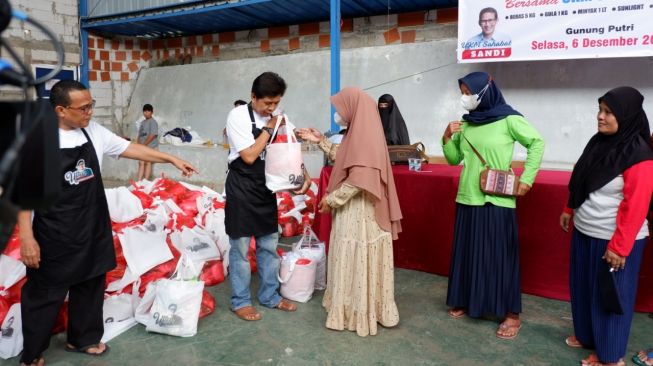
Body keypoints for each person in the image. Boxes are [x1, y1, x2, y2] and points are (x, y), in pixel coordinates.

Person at [17, 80, 197, 366]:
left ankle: (82, 338)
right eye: (83, 107)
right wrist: (27, 237)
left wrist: (170, 158)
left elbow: (131, 149)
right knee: (45, 294)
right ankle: (33, 353)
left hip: (91, 225)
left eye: (92, 105)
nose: (90, 112)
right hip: (54, 231)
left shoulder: (92, 131)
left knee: (90, 285)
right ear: (61, 110)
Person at [441, 71, 544, 339]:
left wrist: (528, 179)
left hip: (496, 199)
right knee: (468, 253)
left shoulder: (509, 119)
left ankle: (511, 314)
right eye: (462, 92)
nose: (465, 97)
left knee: (500, 256)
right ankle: (466, 300)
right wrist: (446, 137)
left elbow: (536, 142)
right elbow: (454, 160)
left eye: (468, 92)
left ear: (484, 92)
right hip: (467, 197)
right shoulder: (467, 124)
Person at [296, 87, 403, 337]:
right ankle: (360, 306)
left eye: (341, 109)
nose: (339, 114)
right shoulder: (360, 134)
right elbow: (346, 157)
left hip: (360, 213)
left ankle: (358, 311)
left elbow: (358, 179)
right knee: (355, 258)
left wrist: (330, 200)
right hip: (357, 210)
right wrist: (320, 141)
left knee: (354, 253)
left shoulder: (364, 137)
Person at [559, 86, 653, 366]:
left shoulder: (640, 155)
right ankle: (588, 336)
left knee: (610, 299)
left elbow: (636, 205)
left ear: (626, 115)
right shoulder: (598, 142)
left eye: (608, 112)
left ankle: (610, 356)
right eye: (599, 110)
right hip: (586, 231)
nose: (600, 117)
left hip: (615, 241)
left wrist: (620, 247)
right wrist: (569, 208)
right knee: (584, 289)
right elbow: (582, 177)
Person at [224, 71, 310, 321]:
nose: (272, 108)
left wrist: (303, 176)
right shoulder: (238, 116)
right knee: (240, 248)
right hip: (241, 187)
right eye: (267, 103)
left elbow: (289, 149)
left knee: (269, 246)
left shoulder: (279, 117)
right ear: (253, 97)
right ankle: (240, 301)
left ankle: (270, 296)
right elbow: (249, 156)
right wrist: (268, 129)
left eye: (276, 103)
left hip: (265, 189)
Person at [137, 103, 159, 181]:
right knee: (141, 163)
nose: (146, 113)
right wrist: (138, 145)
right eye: (145, 111)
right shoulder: (142, 122)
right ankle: (139, 181)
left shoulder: (153, 122)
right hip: (142, 146)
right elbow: (139, 135)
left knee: (148, 162)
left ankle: (145, 181)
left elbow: (153, 135)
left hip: (150, 146)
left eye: (148, 111)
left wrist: (144, 144)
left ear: (152, 112)